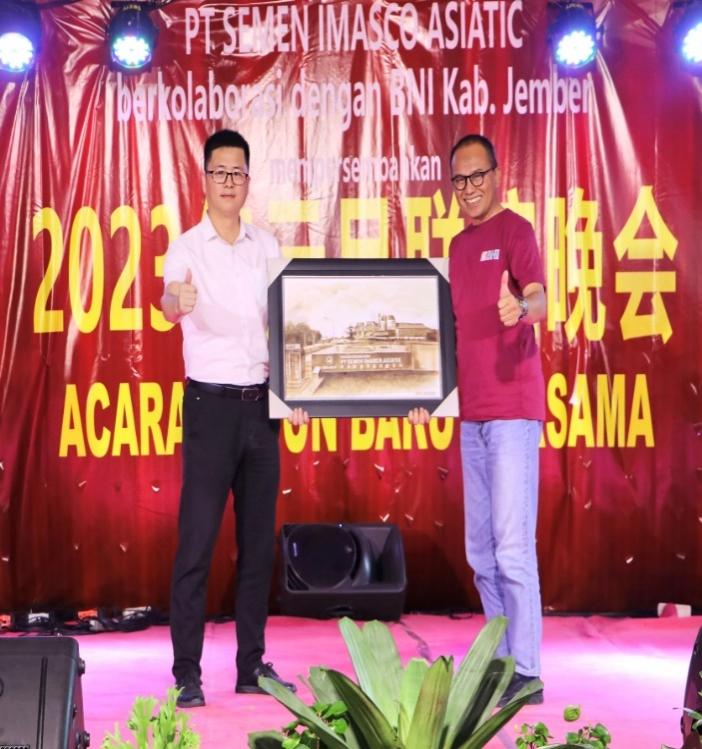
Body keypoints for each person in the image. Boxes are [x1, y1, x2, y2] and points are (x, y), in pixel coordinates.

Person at [161, 129, 308, 708]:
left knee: (257, 547)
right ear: (204, 179)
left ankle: (252, 667)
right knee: (196, 544)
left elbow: (285, 326)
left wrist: (297, 393)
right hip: (210, 409)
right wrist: (176, 303)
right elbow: (169, 302)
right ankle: (186, 673)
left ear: (249, 180)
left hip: (262, 408)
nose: (228, 182)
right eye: (219, 172)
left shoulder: (266, 246)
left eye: (237, 173)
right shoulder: (186, 248)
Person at [409, 133, 546, 705]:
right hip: (471, 419)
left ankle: (528, 672)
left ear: (496, 175)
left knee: (512, 548)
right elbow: (451, 339)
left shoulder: (516, 231)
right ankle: (500, 660)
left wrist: (522, 306)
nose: (468, 188)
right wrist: (425, 395)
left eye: (477, 176)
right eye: (459, 179)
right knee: (482, 554)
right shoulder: (458, 248)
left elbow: (540, 298)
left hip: (512, 414)